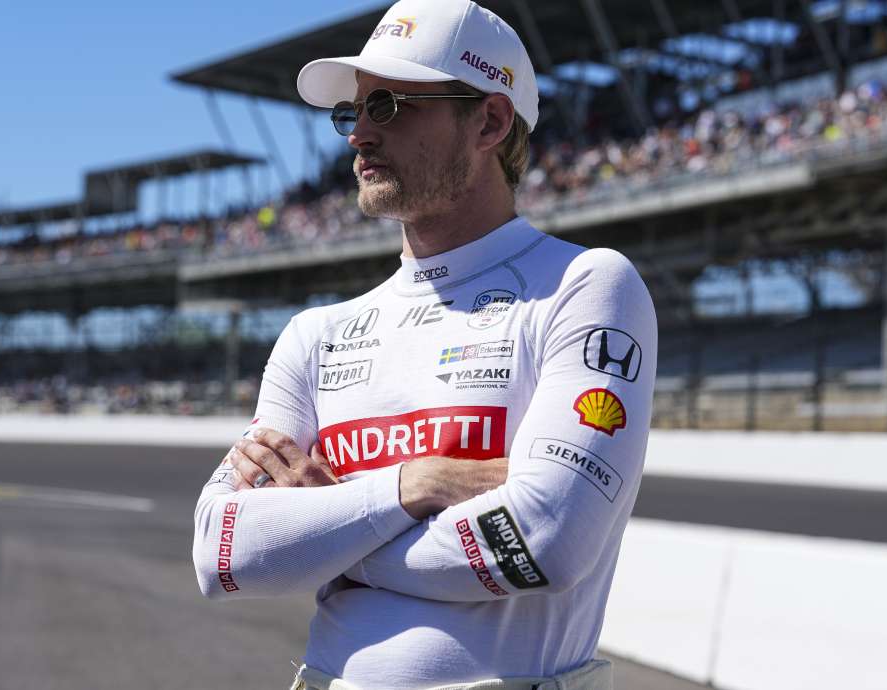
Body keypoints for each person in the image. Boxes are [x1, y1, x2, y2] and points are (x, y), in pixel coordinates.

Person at [192, 1, 657, 688]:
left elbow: (543, 541)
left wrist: (328, 534)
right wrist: (418, 484)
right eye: (355, 112)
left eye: (393, 107)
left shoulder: (584, 286)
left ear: (490, 121)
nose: (358, 137)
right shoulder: (315, 336)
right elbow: (221, 553)